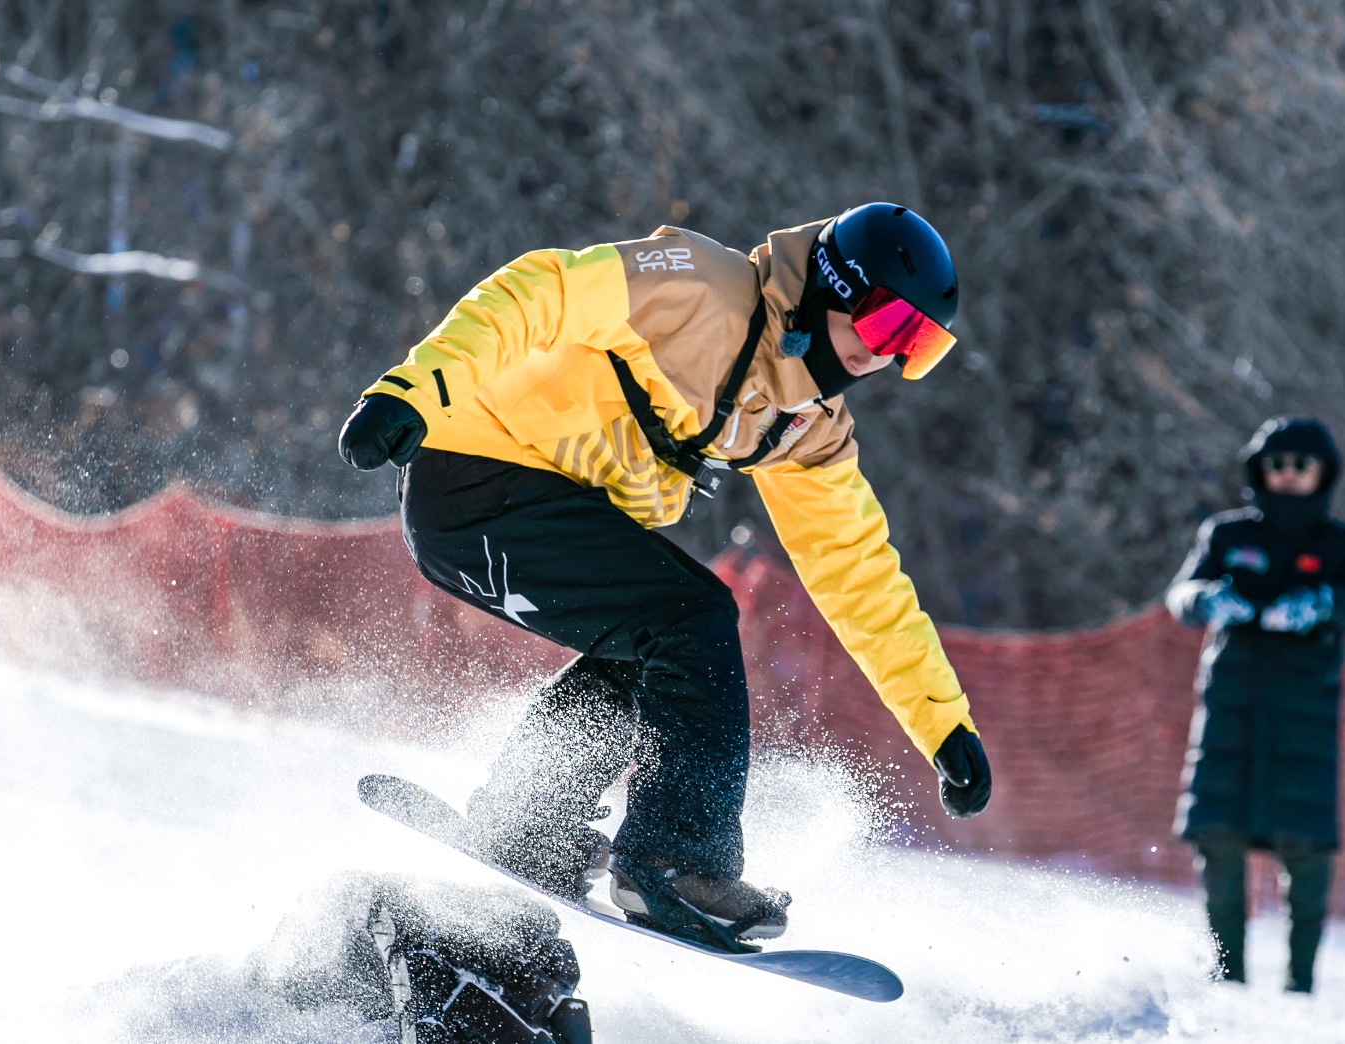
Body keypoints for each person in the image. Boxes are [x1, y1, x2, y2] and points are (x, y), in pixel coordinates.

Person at [337, 203, 992, 950]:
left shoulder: (804, 424)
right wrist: (411, 391)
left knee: (659, 643)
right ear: (830, 287)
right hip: (475, 476)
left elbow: (859, 574)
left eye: (919, 346)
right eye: (885, 327)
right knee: (693, 620)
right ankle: (676, 861)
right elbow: (540, 290)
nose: (887, 358)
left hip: (544, 505)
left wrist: (941, 723)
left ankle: (527, 821)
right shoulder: (699, 289)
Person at [1165, 417, 1345, 992]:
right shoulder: (1226, 535)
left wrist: (1324, 604)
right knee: (1218, 840)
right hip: (1228, 715)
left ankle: (1301, 985)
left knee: (1307, 850)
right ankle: (1227, 977)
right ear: (1260, 469)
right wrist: (1208, 599)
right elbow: (1181, 594)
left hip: (1304, 724)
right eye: (1277, 464)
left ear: (1322, 473)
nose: (1288, 475)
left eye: (1300, 465)